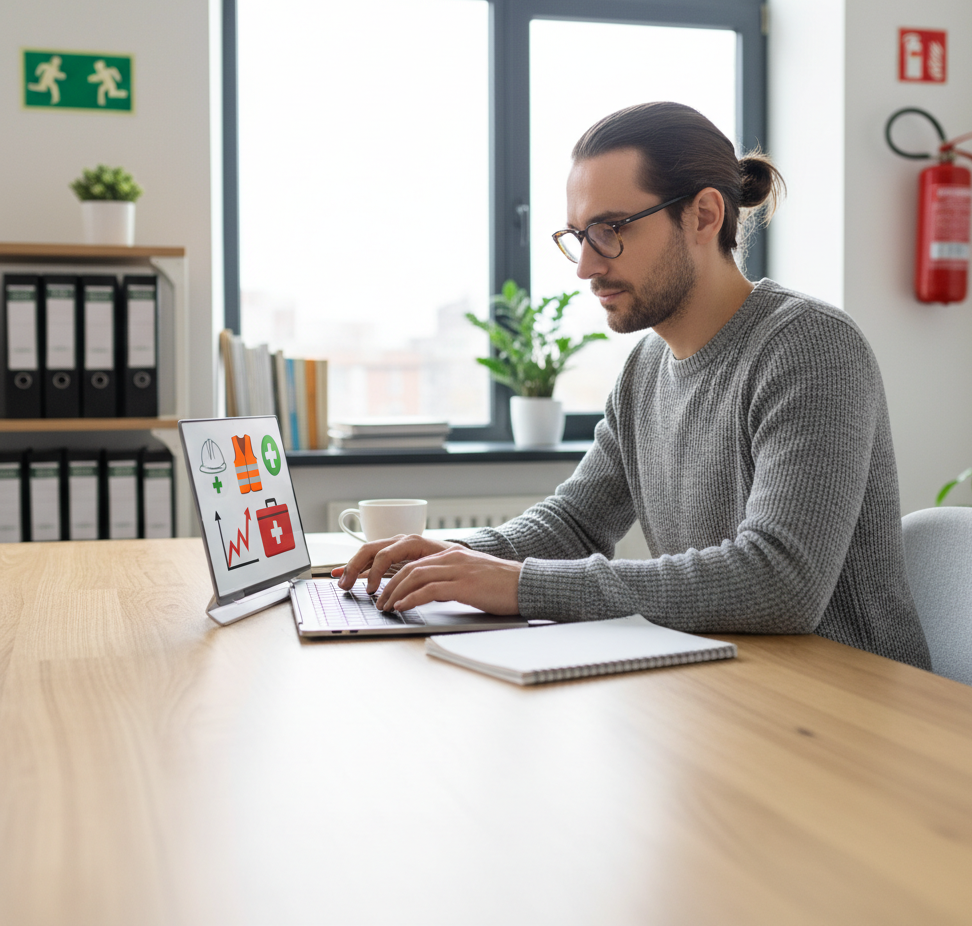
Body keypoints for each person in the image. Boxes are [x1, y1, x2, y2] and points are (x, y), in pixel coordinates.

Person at [335, 101, 931, 670]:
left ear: (704, 215)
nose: (586, 267)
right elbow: (574, 523)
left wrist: (520, 585)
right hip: (731, 686)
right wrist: (453, 556)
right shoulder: (646, 367)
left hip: (849, 706)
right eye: (577, 236)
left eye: (610, 229)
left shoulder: (809, 346)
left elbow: (780, 581)